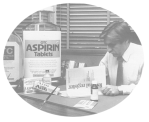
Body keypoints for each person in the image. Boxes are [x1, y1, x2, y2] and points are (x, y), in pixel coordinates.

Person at [99, 21, 144, 96]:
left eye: (112, 45)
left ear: (126, 41)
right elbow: (98, 74)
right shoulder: (110, 54)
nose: (108, 50)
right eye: (107, 45)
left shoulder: (143, 55)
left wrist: (119, 89)